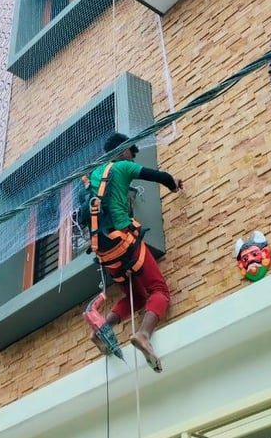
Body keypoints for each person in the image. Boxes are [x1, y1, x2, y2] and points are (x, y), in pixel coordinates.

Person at [85, 132, 182, 372]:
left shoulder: (93, 176)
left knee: (136, 297)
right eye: (131, 152)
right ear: (123, 150)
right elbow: (159, 176)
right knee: (159, 290)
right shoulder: (123, 167)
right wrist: (174, 185)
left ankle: (101, 330)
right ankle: (143, 334)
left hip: (105, 254)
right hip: (125, 242)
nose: (133, 157)